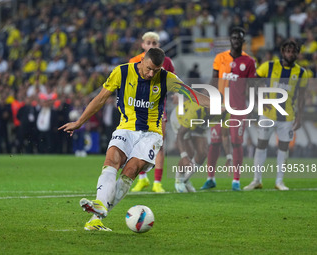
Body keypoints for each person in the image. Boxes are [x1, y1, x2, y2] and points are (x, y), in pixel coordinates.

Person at [59, 48, 210, 231]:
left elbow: (191, 94)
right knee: (111, 160)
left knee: (130, 170)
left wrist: (221, 104)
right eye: (149, 69)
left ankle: (97, 215)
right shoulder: (121, 72)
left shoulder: (166, 78)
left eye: (156, 70)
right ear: (142, 60)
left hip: (151, 134)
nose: (151, 73)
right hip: (125, 128)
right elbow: (100, 99)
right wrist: (79, 122)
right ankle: (99, 206)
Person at [243, 39, 308, 191]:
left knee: (283, 148)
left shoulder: (301, 73)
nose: (290, 54)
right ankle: (256, 180)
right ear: (283, 52)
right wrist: (258, 100)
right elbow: (251, 82)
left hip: (287, 117)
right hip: (267, 114)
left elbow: (302, 97)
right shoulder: (269, 66)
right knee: (261, 145)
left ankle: (279, 181)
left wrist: (300, 117)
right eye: (288, 51)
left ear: (297, 54)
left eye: (293, 52)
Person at [201, 27, 257, 191]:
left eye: (239, 38)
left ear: (243, 41)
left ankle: (236, 181)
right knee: (215, 142)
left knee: (236, 143)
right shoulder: (220, 58)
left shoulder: (249, 62)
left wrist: (252, 106)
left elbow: (252, 86)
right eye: (233, 38)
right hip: (219, 108)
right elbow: (214, 79)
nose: (236, 41)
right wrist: (205, 98)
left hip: (238, 109)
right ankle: (210, 178)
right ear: (230, 40)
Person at [129, 31, 175, 193]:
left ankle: (157, 182)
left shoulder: (167, 62)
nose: (151, 45)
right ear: (143, 45)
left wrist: (175, 95)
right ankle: (142, 179)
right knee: (138, 143)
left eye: (154, 43)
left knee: (159, 144)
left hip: (158, 108)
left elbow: (172, 82)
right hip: (139, 108)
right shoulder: (134, 61)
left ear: (158, 45)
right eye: (148, 43)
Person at [170, 96, 232, 193]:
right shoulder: (196, 110)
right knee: (189, 153)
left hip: (199, 124)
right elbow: (180, 135)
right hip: (180, 118)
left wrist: (229, 157)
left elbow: (225, 136)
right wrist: (184, 156)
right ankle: (178, 180)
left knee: (203, 152)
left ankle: (185, 180)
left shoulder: (225, 113)